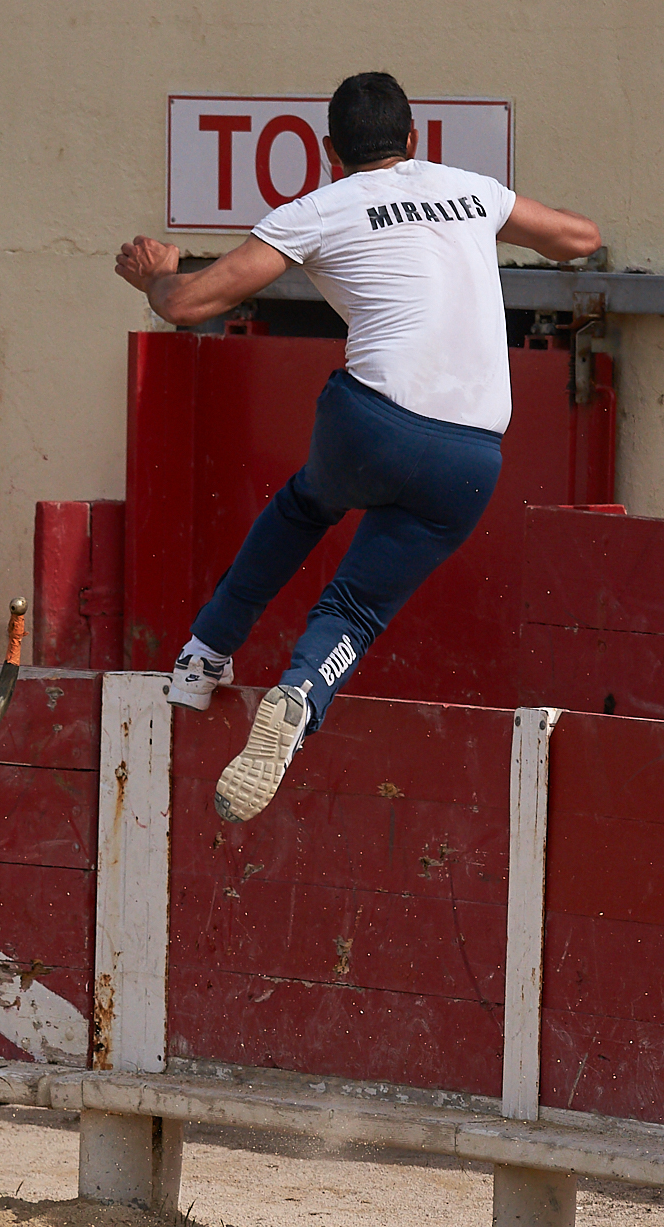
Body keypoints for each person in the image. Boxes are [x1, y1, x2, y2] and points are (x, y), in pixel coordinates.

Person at [115, 71, 600, 822]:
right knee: (357, 606)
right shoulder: (467, 189)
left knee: (307, 503)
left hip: (368, 423)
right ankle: (301, 691)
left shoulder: (317, 207)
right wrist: (488, 215)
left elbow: (188, 305)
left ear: (326, 150)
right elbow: (580, 238)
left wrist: (157, 275)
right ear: (413, 139)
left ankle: (202, 655)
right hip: (470, 456)